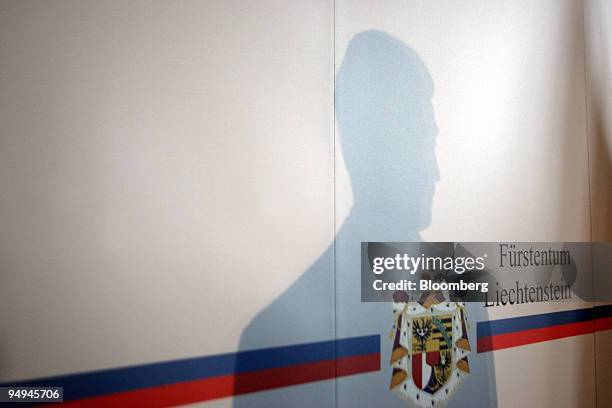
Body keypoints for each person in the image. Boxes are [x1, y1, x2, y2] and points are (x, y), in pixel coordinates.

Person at [234, 30, 496, 407]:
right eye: (423, 142)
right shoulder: (273, 338)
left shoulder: (461, 286)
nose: (436, 172)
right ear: (367, 146)